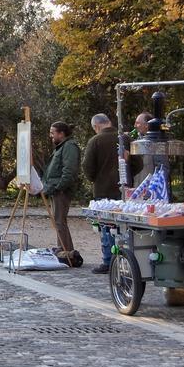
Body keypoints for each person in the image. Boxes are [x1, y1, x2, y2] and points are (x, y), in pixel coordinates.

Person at [84, 114, 121, 274]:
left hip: (103, 190)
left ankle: (108, 261)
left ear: (96, 126)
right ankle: (122, 258)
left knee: (105, 226)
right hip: (123, 190)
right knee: (122, 226)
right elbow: (137, 163)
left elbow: (87, 166)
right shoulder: (123, 138)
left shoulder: (95, 141)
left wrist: (95, 179)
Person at [43, 121, 83, 267]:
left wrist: (59, 187)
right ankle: (65, 251)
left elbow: (69, 170)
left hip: (61, 189)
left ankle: (67, 252)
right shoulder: (62, 147)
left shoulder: (69, 147)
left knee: (60, 221)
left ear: (61, 133)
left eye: (52, 132)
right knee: (59, 221)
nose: (51, 135)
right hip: (55, 188)